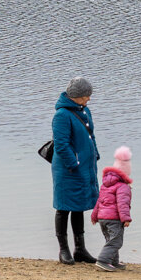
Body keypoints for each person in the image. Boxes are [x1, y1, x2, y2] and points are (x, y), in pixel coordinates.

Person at [51, 77, 99, 265]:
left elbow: (90, 135)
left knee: (78, 207)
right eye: (86, 95)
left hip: (84, 166)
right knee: (63, 207)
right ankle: (64, 251)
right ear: (76, 96)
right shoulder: (62, 115)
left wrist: (95, 154)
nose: (88, 99)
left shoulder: (84, 110)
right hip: (67, 169)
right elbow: (61, 145)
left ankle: (80, 250)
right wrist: (74, 164)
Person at [91, 146, 133, 271]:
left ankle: (113, 261)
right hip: (114, 219)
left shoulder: (105, 185)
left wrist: (94, 216)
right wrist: (126, 219)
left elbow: (99, 201)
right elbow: (122, 204)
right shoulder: (122, 187)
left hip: (103, 218)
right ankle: (103, 260)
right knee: (116, 241)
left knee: (111, 240)